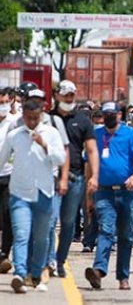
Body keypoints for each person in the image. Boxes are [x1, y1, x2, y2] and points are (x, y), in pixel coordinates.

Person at [0, 100, 66, 293]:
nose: (31, 122)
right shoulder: (14, 136)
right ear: (23, 117)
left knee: (42, 237)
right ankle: (19, 274)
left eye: (35, 118)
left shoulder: (51, 133)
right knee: (21, 234)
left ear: (41, 115)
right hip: (19, 194)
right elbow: (2, 159)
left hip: (44, 193)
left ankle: (35, 273)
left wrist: (45, 145)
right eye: (28, 118)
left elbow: (60, 159)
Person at [85, 102, 133, 291]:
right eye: (106, 114)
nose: (110, 116)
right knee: (106, 229)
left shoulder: (130, 134)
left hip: (127, 192)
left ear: (120, 114)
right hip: (104, 191)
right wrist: (89, 194)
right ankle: (99, 270)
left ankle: (123, 277)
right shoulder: (97, 135)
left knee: (126, 236)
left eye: (113, 113)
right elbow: (89, 164)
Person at [49, 80, 99, 277]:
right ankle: (49, 260)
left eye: (72, 95)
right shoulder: (48, 119)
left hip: (75, 178)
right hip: (51, 177)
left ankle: (60, 261)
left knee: (69, 223)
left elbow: (92, 150)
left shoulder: (83, 120)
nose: (69, 99)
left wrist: (94, 176)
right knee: (50, 221)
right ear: (57, 96)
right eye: (66, 95)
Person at [0, 88, 21, 274]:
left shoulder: (14, 123)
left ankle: (4, 254)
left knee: (8, 216)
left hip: (9, 175)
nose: (2, 106)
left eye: (4, 102)